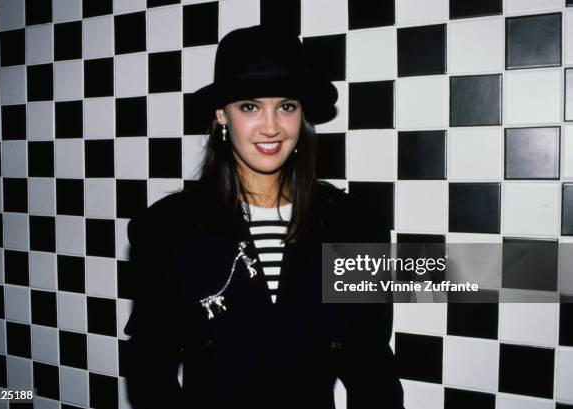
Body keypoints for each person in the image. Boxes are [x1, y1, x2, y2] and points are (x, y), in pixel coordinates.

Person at [123, 25, 404, 409]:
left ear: (302, 115)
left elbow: (371, 366)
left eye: (286, 106)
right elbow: (149, 365)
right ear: (223, 115)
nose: (271, 126)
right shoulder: (168, 229)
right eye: (250, 106)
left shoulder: (352, 225)